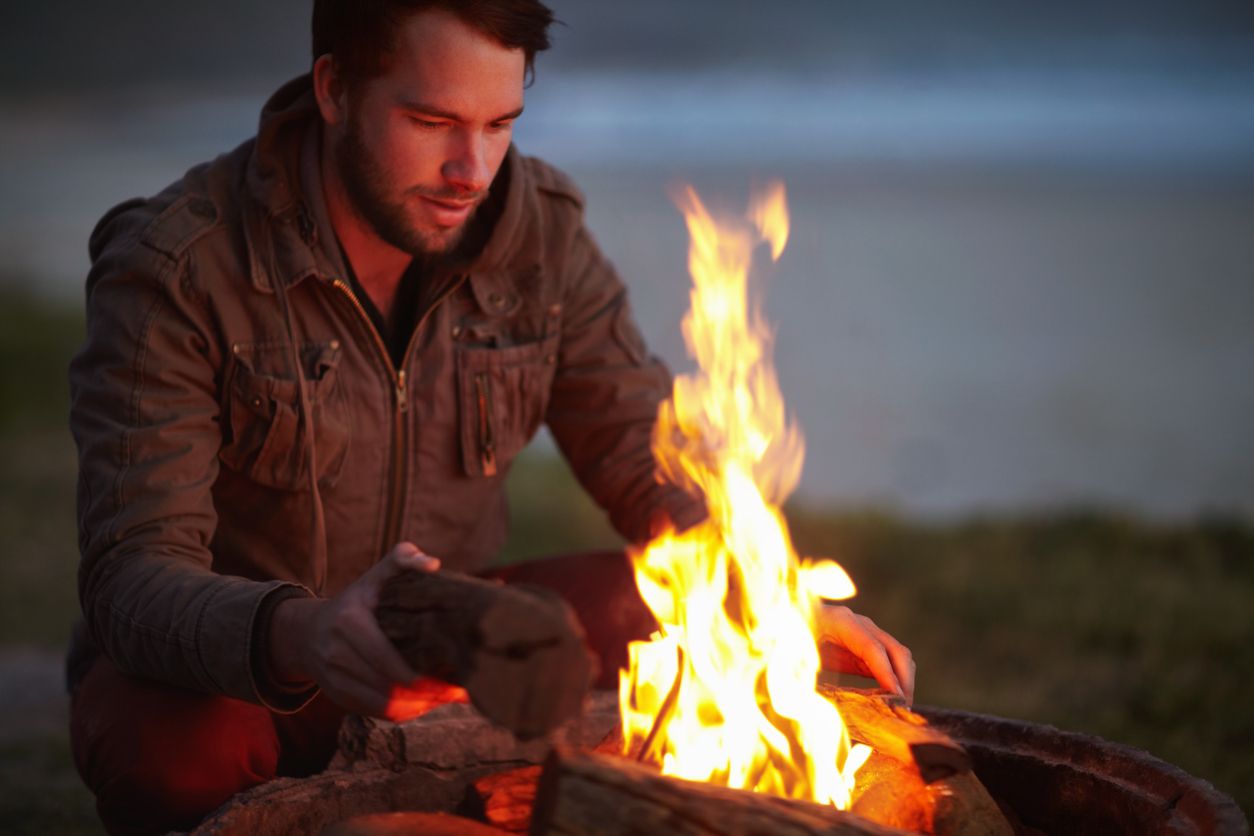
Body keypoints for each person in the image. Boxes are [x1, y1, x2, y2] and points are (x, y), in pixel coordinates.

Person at [67, 1, 916, 832]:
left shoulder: (536, 230)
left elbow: (640, 445)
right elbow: (132, 577)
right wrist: (307, 633)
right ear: (333, 90)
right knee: (173, 747)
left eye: (500, 123)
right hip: (259, 669)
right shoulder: (178, 268)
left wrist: (766, 597)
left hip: (455, 643)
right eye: (432, 121)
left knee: (676, 604)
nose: (472, 170)